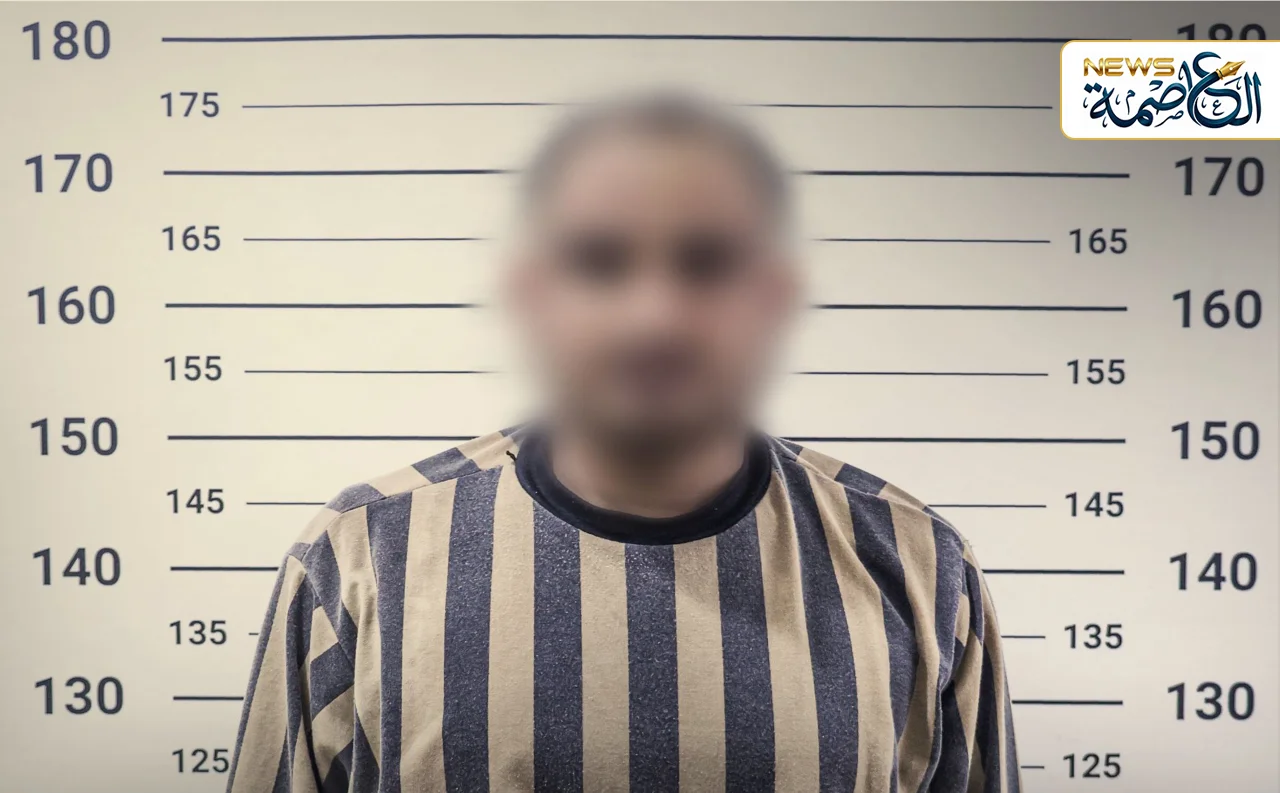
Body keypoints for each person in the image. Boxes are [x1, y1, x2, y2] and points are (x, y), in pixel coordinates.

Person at [227, 92, 1020, 793]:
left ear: (772, 296)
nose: (655, 316)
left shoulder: (920, 566)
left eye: (706, 263)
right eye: (600, 262)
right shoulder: (361, 557)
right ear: (533, 293)